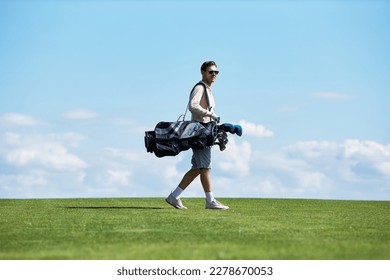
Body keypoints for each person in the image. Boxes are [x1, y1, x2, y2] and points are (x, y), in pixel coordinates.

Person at [165, 61, 229, 210]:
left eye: (216, 72)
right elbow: (193, 106)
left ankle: (174, 196)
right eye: (211, 72)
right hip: (199, 133)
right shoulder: (200, 88)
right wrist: (210, 114)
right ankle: (210, 201)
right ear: (203, 72)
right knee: (205, 167)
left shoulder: (208, 90)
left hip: (203, 132)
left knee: (197, 168)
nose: (214, 75)